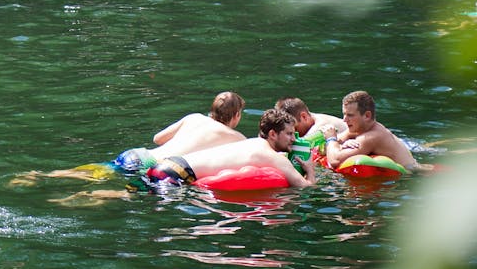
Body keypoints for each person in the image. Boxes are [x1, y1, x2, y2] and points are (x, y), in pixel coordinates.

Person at [148, 108, 314, 188]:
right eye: (289, 134)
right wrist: (310, 170)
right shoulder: (272, 156)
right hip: (178, 174)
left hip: (169, 165)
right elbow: (305, 188)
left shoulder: (249, 143)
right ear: (272, 134)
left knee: (129, 194)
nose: (293, 139)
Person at [113, 92, 248, 174]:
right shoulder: (236, 137)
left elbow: (157, 139)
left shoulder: (194, 117)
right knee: (118, 194)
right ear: (236, 115)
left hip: (137, 154)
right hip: (154, 165)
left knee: (96, 174)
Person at [322, 90, 420, 172]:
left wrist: (330, 139)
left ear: (367, 116)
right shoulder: (358, 128)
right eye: (344, 114)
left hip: (415, 173)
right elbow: (329, 145)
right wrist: (344, 143)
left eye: (350, 115)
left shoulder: (371, 137)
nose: (344, 120)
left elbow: (335, 160)